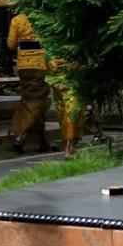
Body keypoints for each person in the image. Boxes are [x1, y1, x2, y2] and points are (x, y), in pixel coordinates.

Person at [6, 8, 53, 153]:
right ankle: (21, 135)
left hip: (24, 65)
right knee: (37, 100)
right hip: (41, 64)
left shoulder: (18, 20)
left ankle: (42, 140)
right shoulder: (45, 18)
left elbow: (11, 44)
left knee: (31, 98)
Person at [49, 58, 86, 160]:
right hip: (59, 80)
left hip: (72, 79)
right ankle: (69, 145)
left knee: (72, 112)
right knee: (64, 113)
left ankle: (69, 146)